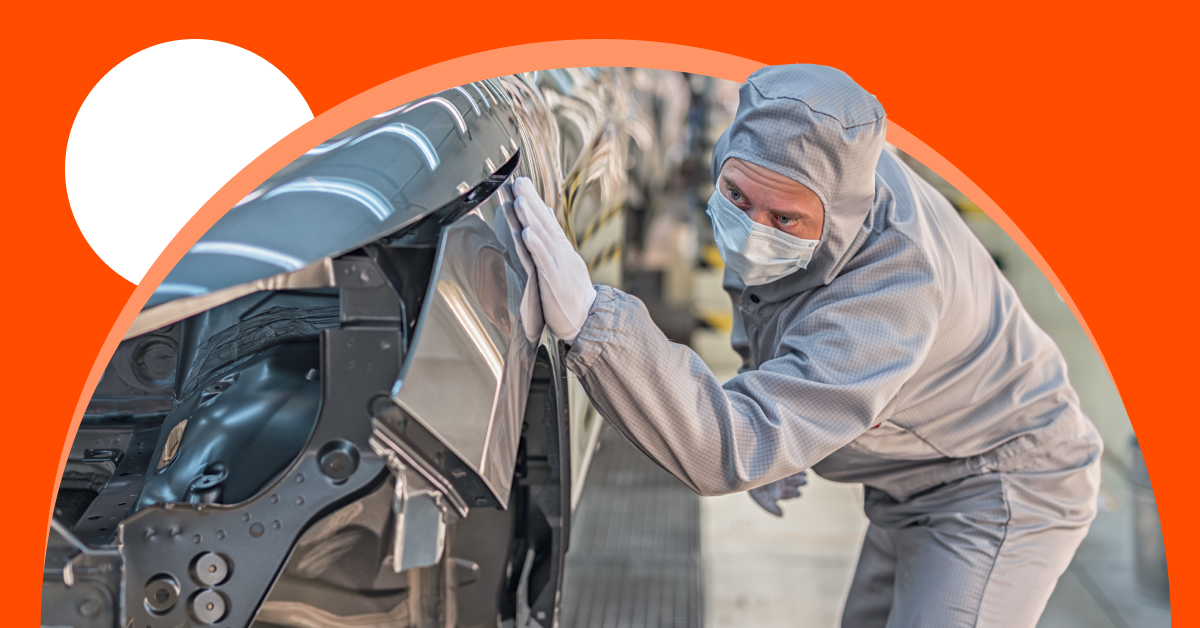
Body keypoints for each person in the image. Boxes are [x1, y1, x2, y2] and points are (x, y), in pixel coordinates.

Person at [511, 64, 1102, 628]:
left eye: (785, 220)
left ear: (840, 217)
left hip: (999, 479)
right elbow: (764, 299)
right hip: (907, 479)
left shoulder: (893, 290)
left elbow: (731, 449)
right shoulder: (794, 174)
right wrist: (761, 380)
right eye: (737, 198)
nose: (754, 230)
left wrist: (596, 322)